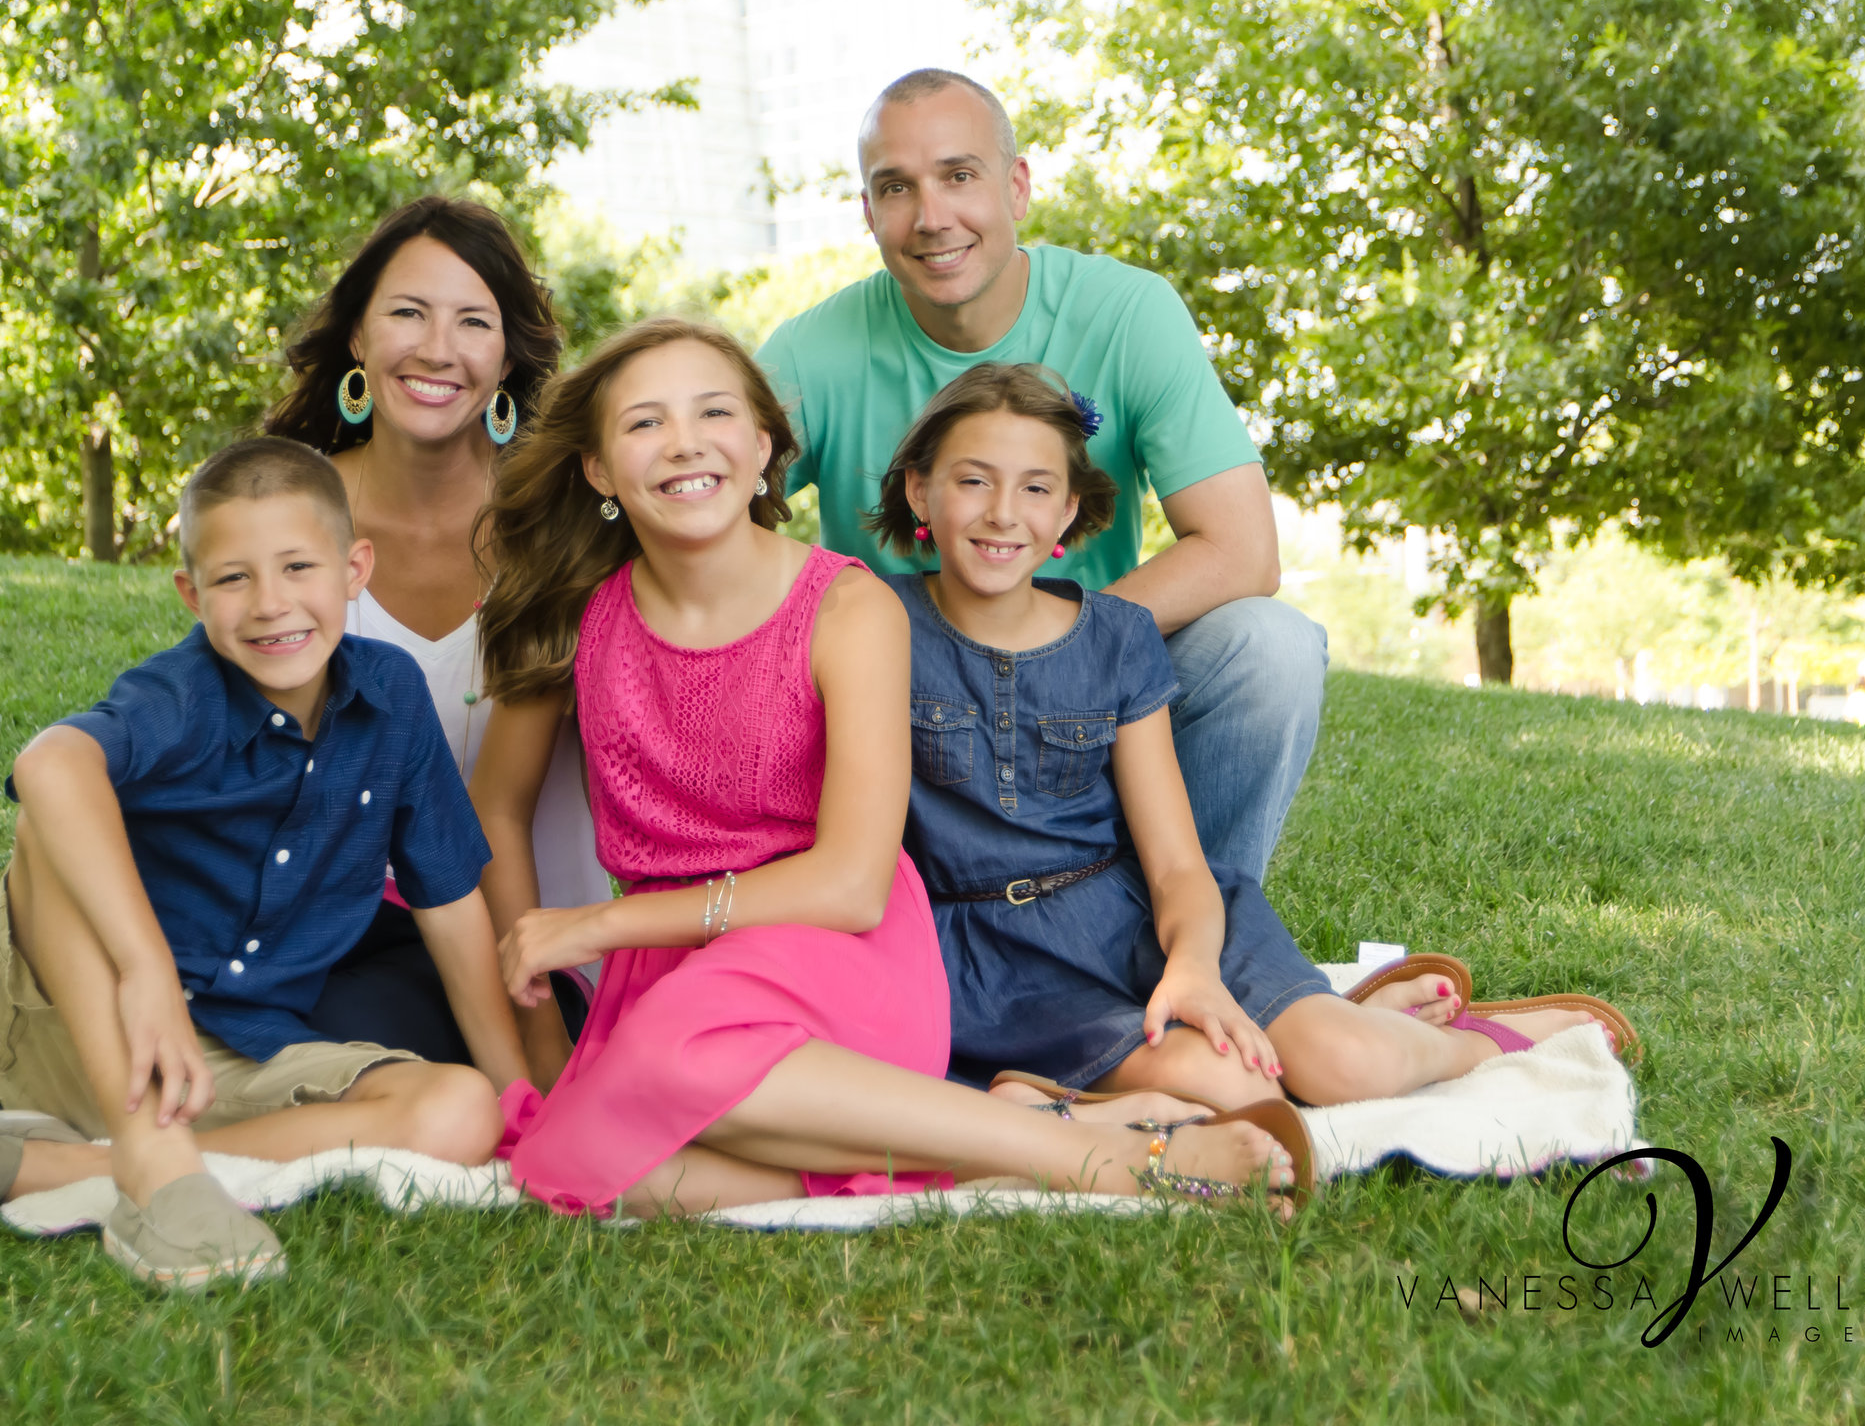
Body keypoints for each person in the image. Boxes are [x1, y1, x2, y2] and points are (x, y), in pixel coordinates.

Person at [471, 318, 1309, 1214]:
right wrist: (543, 1047)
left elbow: (851, 886)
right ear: (598, 469)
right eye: (643, 423)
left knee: (668, 1063)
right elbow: (496, 811)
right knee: (567, 1168)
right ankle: (1015, 1139)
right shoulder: (579, 618)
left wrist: (595, 927)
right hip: (674, 969)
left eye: (712, 412)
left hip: (836, 951)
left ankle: (1112, 1165)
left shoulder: (846, 605)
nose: (683, 443)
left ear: (762, 448)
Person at [0, 197, 596, 1092]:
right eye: (407, 312)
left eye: (472, 321)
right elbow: (224, 737)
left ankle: (78, 1018)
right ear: (358, 337)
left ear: (509, 353)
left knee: (424, 1042)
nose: (437, 348)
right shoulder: (288, 513)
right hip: (293, 898)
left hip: (498, 906)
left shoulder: (562, 527)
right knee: (271, 1012)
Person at [874, 364, 1638, 1108]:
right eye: (973, 480)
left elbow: (1175, 864)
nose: (1004, 512)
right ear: (920, 490)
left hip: (1135, 919)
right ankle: (1070, 1090)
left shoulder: (1117, 635)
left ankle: (1475, 1041)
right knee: (1233, 1084)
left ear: (1068, 510)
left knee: (1344, 1066)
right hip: (986, 966)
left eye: (1036, 488)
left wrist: (1195, 968)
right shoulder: (870, 622)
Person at [0, 438, 518, 1291]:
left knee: (461, 1110)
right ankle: (156, 1172)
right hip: (82, 1032)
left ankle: (72, 1168)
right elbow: (48, 765)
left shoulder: (390, 696)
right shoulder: (182, 694)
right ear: (191, 593)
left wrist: (520, 1096)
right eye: (234, 578)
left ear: (356, 569)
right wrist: (145, 973)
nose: (271, 604)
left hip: (235, 1054)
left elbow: (450, 900)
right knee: (54, 816)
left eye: (297, 567)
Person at [756, 68, 1329, 889]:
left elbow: (1243, 552)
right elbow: (710, 500)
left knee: (1270, 648)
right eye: (896, 188)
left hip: (1097, 688)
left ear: (1016, 186)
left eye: (959, 176)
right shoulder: (814, 351)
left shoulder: (1128, 311)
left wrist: (1052, 645)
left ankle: (1213, 930)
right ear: (868, 212)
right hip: (907, 720)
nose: (931, 217)